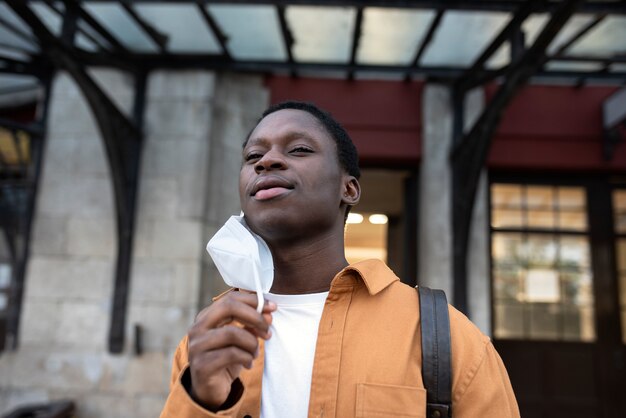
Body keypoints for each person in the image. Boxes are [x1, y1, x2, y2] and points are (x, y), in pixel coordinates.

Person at [160, 101, 520, 418]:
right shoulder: (212, 339)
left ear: (348, 189)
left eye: (299, 149)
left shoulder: (447, 338)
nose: (266, 161)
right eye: (253, 157)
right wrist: (200, 400)